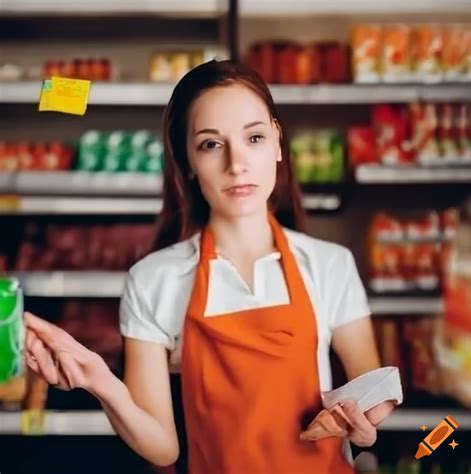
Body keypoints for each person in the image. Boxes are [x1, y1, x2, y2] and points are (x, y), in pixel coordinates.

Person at [24, 60, 398, 474]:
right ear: (186, 161)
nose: (236, 163)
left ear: (276, 142)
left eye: (254, 137)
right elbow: (163, 448)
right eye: (211, 144)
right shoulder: (154, 281)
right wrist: (100, 381)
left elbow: (371, 394)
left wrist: (361, 430)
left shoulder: (330, 265)